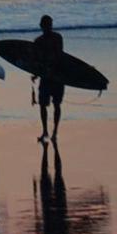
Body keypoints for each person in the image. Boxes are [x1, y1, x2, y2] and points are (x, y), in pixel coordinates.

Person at [33, 15, 66, 144]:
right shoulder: (38, 41)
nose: (48, 27)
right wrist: (35, 73)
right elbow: (36, 60)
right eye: (46, 25)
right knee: (42, 105)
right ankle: (45, 131)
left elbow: (59, 55)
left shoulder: (57, 38)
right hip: (46, 77)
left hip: (57, 76)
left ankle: (54, 132)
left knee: (56, 104)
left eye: (50, 24)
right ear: (41, 26)